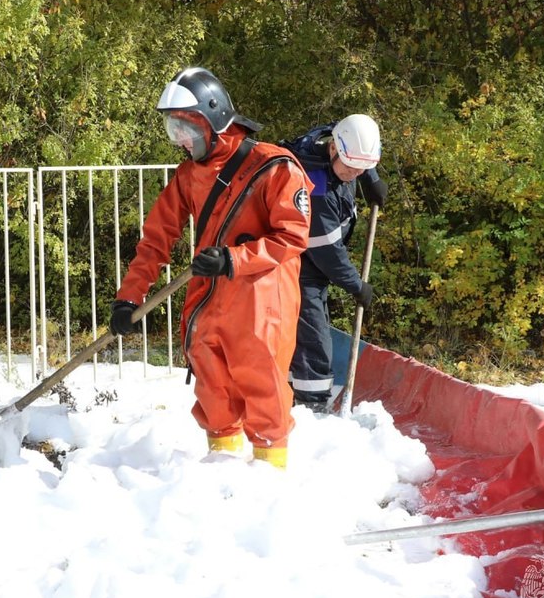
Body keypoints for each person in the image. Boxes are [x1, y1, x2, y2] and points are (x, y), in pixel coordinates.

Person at [110, 67, 312, 469]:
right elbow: (155, 240)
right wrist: (128, 298)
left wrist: (233, 259)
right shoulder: (188, 176)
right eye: (174, 130)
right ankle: (221, 476)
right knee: (214, 394)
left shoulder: (274, 166)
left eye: (187, 129)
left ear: (214, 118)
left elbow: (292, 237)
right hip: (208, 301)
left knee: (264, 395)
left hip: (260, 304)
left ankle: (270, 482)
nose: (181, 141)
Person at [281, 114, 388, 413]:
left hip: (313, 266)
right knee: (313, 340)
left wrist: (371, 179)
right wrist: (356, 286)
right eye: (350, 167)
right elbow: (327, 251)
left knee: (310, 335)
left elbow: (358, 153)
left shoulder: (340, 145)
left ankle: (293, 398)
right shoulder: (315, 188)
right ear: (332, 150)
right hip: (297, 267)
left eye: (360, 168)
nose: (354, 174)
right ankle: (310, 407)